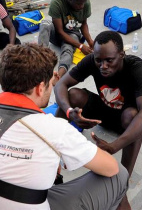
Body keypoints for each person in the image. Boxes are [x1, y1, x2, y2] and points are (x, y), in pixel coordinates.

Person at [0, 43, 129, 210]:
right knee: (119, 174)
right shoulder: (53, 128)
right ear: (40, 88)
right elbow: (110, 168)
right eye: (50, 82)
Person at [55, 30, 142, 176]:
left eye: (109, 60)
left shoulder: (137, 68)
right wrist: (69, 111)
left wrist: (115, 146)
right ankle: (51, 147)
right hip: (102, 113)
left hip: (125, 122)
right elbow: (60, 85)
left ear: (121, 55)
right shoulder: (92, 61)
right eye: (99, 60)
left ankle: (122, 182)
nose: (103, 66)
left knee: (133, 115)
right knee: (74, 95)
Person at [38, 0, 94, 78]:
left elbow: (84, 24)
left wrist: (90, 42)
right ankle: (40, 58)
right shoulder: (57, 3)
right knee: (45, 23)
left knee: (68, 50)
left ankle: (59, 75)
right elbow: (60, 32)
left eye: (83, 3)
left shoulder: (85, 4)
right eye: (78, 4)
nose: (82, 6)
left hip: (73, 34)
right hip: (57, 34)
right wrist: (80, 46)